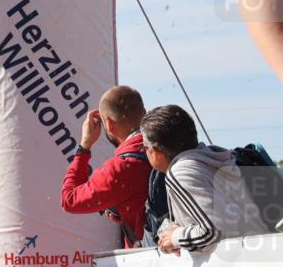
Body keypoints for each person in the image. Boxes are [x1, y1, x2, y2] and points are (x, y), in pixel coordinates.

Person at [139, 105, 270, 254]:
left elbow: (214, 231)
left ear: (156, 151)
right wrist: (181, 234)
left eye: (144, 147)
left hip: (240, 265)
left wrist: (176, 237)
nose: (144, 152)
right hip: (261, 253)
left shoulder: (180, 172)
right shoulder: (214, 158)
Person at [59, 86, 152, 248]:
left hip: (152, 262)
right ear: (144, 113)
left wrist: (84, 146)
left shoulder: (119, 169)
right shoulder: (165, 147)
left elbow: (69, 199)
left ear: (108, 124)